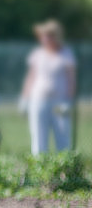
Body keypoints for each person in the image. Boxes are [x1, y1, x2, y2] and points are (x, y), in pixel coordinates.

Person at [20, 20, 76, 155]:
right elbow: (31, 77)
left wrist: (69, 101)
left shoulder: (66, 53)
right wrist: (24, 99)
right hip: (39, 100)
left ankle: (63, 171)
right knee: (39, 138)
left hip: (59, 101)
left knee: (63, 138)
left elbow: (71, 80)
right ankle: (40, 171)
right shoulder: (38, 54)